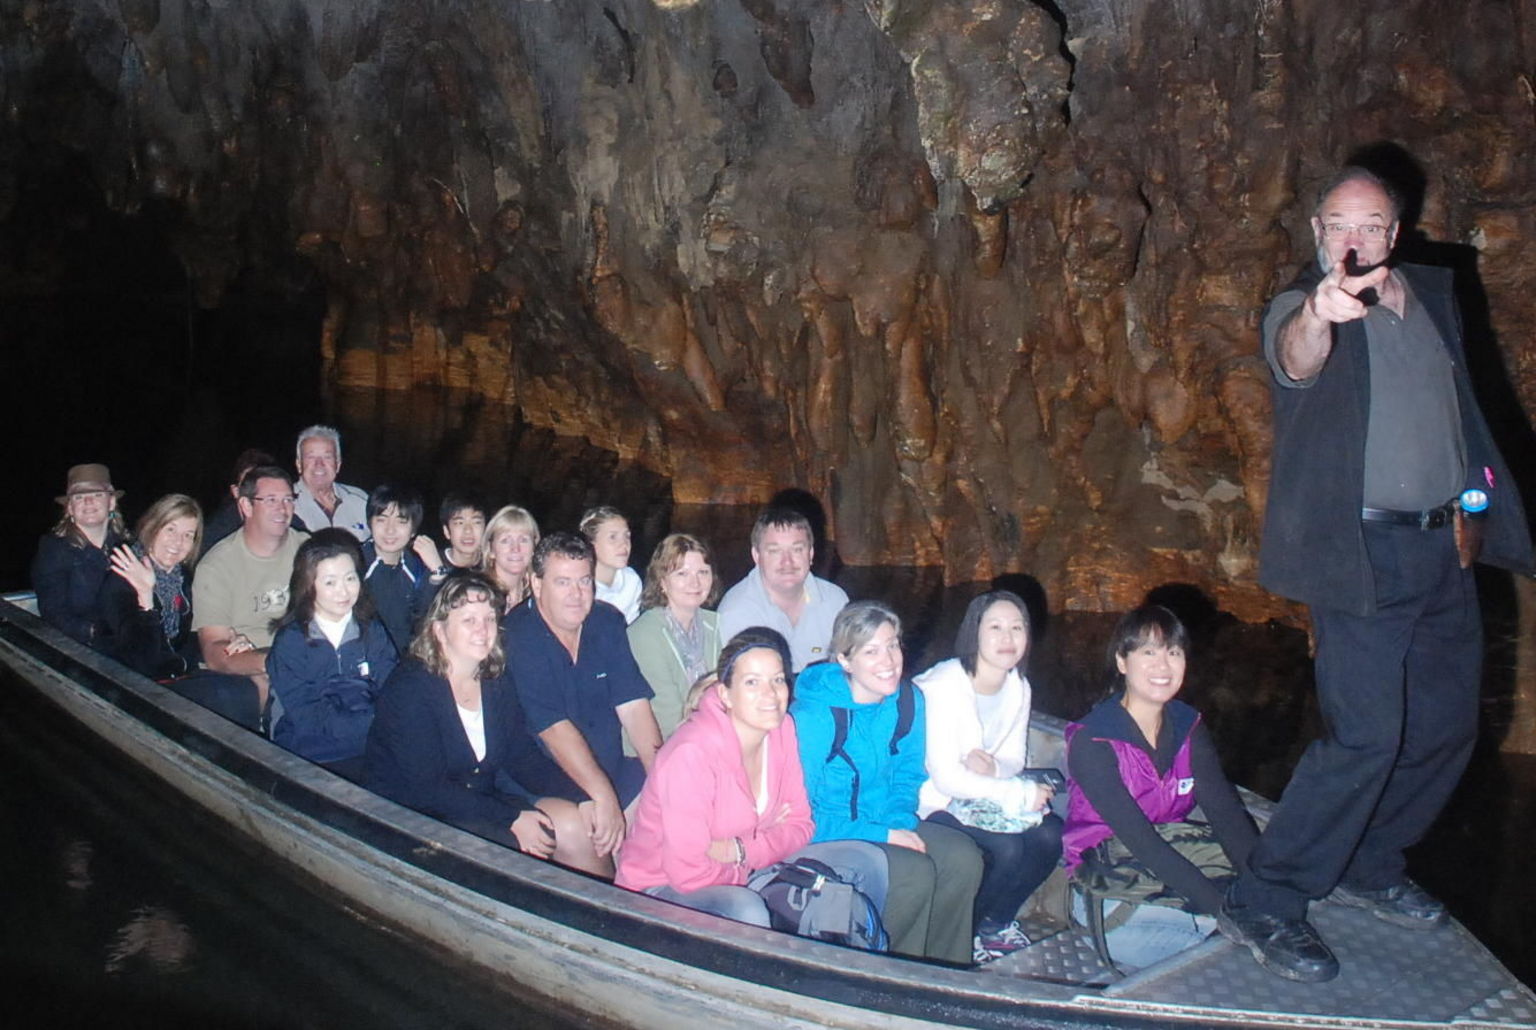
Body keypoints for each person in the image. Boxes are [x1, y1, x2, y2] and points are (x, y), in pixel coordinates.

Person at [1223, 166, 1534, 983]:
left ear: (1393, 236)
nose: (1352, 241)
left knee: (1445, 728)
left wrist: (1477, 507)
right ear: (1318, 235)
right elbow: (1296, 354)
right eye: (1336, 225)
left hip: (1441, 548)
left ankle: (1369, 861)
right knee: (1365, 736)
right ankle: (1266, 897)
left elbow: (1461, 408)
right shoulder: (1305, 303)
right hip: (1359, 553)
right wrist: (1321, 315)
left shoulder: (1431, 295)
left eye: (1368, 225)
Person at [617, 629, 888, 932]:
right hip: (658, 892)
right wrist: (763, 853)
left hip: (748, 866)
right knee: (745, 909)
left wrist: (739, 851)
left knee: (865, 861)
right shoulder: (690, 755)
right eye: (752, 682)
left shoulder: (782, 729)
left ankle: (848, 960)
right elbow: (688, 872)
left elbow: (800, 825)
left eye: (778, 679)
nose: (770, 694)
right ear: (725, 694)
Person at [366, 573, 604, 873]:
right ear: (439, 630)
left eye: (489, 619)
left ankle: (601, 917)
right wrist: (511, 818)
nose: (482, 630)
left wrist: (581, 797)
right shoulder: (411, 687)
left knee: (577, 824)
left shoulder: (494, 679)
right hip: (414, 815)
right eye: (469, 620)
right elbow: (426, 787)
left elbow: (521, 756)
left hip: (474, 801)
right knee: (518, 845)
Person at [1063, 605, 1257, 970]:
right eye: (1148, 652)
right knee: (1224, 952)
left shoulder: (1188, 726)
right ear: (1122, 662)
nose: (1163, 665)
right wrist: (1226, 913)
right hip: (1108, 883)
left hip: (1170, 864)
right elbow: (1143, 843)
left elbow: (1226, 813)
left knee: (1255, 911)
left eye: (1173, 652)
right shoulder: (1094, 741)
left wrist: (1263, 891)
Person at [791, 601, 983, 964]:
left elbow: (909, 772)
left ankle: (946, 969)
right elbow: (799, 818)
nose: (889, 660)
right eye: (871, 651)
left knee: (962, 857)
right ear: (845, 661)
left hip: (885, 821)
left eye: (893, 644)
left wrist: (896, 821)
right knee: (912, 872)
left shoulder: (908, 700)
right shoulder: (814, 718)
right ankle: (893, 973)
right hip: (829, 834)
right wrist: (884, 835)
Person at [915, 591, 1063, 963]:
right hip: (930, 801)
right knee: (1007, 847)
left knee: (1050, 835)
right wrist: (1014, 793)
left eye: (1017, 628)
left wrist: (994, 769)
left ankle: (995, 923)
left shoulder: (1017, 687)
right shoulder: (943, 685)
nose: (1007, 638)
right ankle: (961, 934)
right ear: (974, 632)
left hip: (977, 795)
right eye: (995, 627)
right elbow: (947, 778)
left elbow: (1012, 757)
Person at [503, 532, 663, 865]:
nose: (576, 595)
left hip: (610, 766)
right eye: (562, 582)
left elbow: (634, 707)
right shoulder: (518, 635)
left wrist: (664, 781)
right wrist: (603, 797)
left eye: (584, 581)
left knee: (667, 805)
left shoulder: (607, 622)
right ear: (536, 583)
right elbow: (554, 730)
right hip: (544, 775)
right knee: (586, 835)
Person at [266, 530, 399, 778]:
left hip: (371, 747)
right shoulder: (291, 642)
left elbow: (395, 693)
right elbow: (306, 717)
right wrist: (373, 722)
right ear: (308, 585)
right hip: (309, 753)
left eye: (350, 578)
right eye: (330, 582)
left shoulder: (373, 631)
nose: (344, 591)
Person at [190, 464, 309, 729]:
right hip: (252, 669)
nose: (283, 508)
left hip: (306, 660)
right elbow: (214, 650)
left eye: (288, 499)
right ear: (245, 506)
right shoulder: (216, 566)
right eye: (271, 500)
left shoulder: (308, 551)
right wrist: (270, 663)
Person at [717, 506, 848, 673]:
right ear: (756, 556)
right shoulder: (736, 613)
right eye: (775, 551)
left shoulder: (836, 601)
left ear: (811, 554)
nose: (787, 562)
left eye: (797, 549)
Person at [626, 533, 723, 746]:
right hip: (660, 749)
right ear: (662, 582)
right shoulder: (645, 634)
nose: (694, 582)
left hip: (712, 737)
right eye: (682, 574)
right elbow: (667, 713)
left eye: (702, 572)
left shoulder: (717, 625)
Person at [101, 493, 204, 679]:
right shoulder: (122, 578)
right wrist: (145, 597)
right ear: (152, 528)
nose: (178, 541)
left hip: (172, 675)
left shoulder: (181, 579)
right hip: (122, 683)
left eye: (188, 535)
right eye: (170, 530)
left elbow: (186, 639)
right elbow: (142, 661)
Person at [32, 463, 130, 646]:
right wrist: (96, 632)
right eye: (79, 496)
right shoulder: (54, 549)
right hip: (79, 652)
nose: (88, 501)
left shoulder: (128, 548)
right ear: (70, 508)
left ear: (111, 503)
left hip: (126, 646)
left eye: (97, 495)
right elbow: (53, 613)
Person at [361, 484, 449, 653]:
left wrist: (438, 571)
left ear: (413, 530)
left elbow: (427, 619)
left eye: (401, 521)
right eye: (382, 519)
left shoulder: (416, 567)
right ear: (369, 523)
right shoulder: (355, 564)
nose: (390, 530)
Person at [202, 449, 287, 556]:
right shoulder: (216, 535)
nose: (255, 490)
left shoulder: (289, 521)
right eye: (247, 484)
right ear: (236, 491)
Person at [292, 425, 369, 541]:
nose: (319, 464)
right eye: (311, 457)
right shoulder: (285, 502)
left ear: (338, 464)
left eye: (327, 457)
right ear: (299, 464)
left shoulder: (361, 500)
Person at [580, 506, 643, 624]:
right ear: (592, 542)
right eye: (613, 537)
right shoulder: (581, 587)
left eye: (627, 536)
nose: (624, 544)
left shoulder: (631, 580)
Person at [481, 505, 539, 612]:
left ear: (534, 547)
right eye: (505, 541)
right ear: (491, 550)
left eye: (523, 540)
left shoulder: (539, 594)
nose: (515, 548)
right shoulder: (480, 596)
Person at [439, 492, 488, 571]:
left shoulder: (493, 566)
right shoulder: (432, 563)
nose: (468, 530)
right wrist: (438, 570)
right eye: (460, 523)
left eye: (476, 522)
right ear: (446, 531)